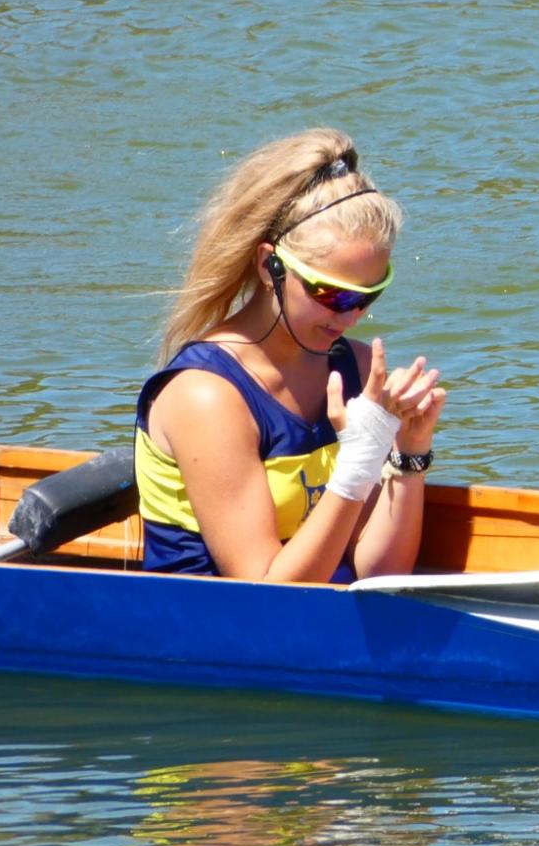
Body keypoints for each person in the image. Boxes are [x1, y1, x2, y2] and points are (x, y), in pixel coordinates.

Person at [134, 128, 445, 583]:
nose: (352, 317)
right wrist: (358, 463)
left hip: (323, 614)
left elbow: (381, 571)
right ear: (270, 266)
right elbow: (269, 594)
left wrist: (408, 453)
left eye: (368, 296)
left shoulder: (355, 369)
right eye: (333, 294)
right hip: (217, 621)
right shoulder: (206, 396)